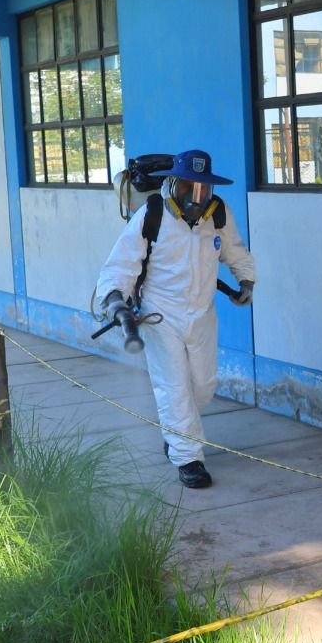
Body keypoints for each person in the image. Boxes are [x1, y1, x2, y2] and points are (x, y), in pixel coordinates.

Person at [94, 149, 255, 488]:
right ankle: (187, 458)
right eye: (189, 188)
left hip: (202, 313)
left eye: (203, 189)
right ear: (174, 184)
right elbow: (121, 264)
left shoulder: (219, 214)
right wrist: (113, 299)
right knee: (175, 387)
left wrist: (245, 280)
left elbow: (234, 249)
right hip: (160, 314)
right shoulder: (152, 214)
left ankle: (177, 431)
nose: (197, 197)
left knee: (203, 386)